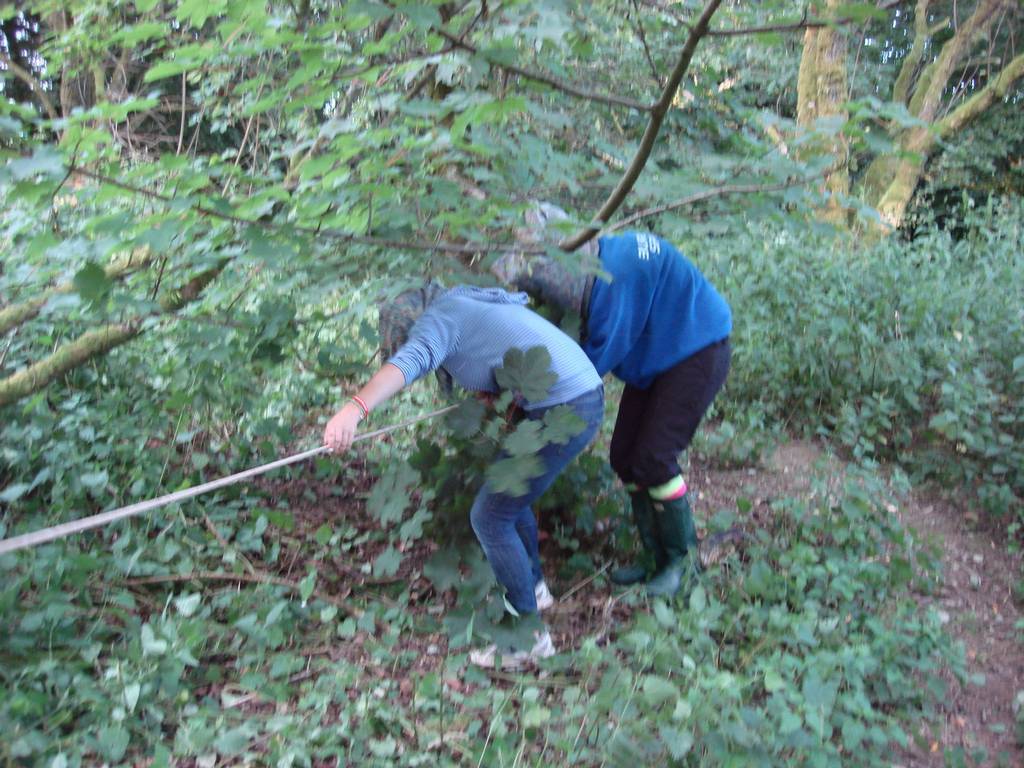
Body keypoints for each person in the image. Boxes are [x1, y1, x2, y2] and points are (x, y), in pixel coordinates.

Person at [323, 283, 604, 668]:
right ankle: (532, 590)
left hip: (568, 404)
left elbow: (413, 359)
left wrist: (354, 409)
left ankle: (528, 640)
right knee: (506, 489)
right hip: (573, 396)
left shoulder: (440, 318)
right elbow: (498, 353)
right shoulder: (462, 305)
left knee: (489, 517)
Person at [493, 204, 732, 597]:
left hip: (697, 350)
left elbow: (586, 368)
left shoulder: (617, 279)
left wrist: (529, 398)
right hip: (657, 358)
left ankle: (682, 565)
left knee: (655, 457)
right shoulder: (607, 265)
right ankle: (654, 557)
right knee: (624, 456)